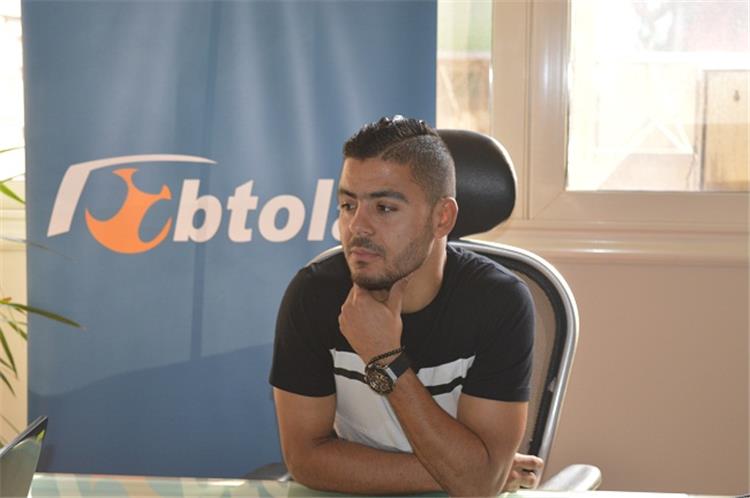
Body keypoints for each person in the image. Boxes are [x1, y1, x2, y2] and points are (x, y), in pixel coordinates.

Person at [269, 116, 543, 496]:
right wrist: (466, 471)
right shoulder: (313, 294)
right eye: (348, 205)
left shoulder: (500, 304)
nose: (357, 227)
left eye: (384, 208)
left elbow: (477, 485)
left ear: (442, 218)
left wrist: (387, 361)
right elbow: (305, 459)